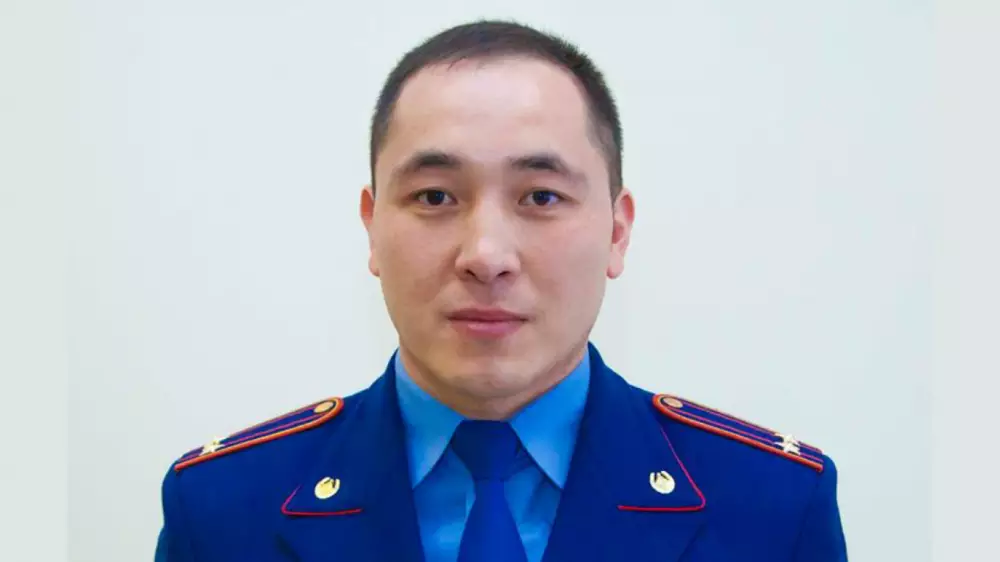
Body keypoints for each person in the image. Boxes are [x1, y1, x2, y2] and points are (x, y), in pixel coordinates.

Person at [154, 19, 848, 562]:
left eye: (541, 196)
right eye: (435, 196)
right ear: (372, 227)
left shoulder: (772, 509)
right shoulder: (221, 511)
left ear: (616, 232)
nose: (486, 256)